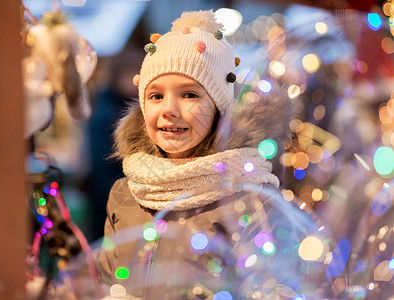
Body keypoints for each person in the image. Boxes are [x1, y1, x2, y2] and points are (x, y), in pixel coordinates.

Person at [93, 10, 334, 299]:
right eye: (156, 96)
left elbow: (277, 288)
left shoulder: (250, 200)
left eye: (190, 94)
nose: (168, 109)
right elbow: (108, 282)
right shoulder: (126, 192)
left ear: (220, 108)